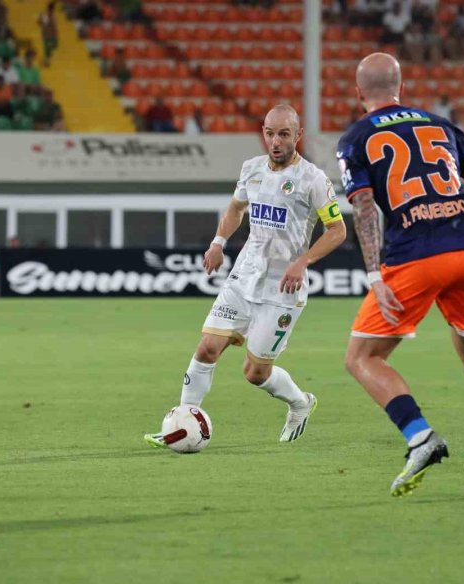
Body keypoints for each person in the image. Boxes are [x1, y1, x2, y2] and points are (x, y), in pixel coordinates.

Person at [338, 53, 464, 497]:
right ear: (401, 87)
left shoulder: (356, 138)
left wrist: (374, 274)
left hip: (415, 253)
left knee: (362, 358)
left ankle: (420, 437)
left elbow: (364, 207)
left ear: (358, 93)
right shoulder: (440, 124)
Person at [144, 104, 347, 447]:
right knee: (208, 348)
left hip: (283, 288)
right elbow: (236, 208)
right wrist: (218, 242)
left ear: (298, 135)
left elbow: (337, 230)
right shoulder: (251, 170)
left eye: (284, 134)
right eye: (270, 133)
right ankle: (179, 424)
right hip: (244, 278)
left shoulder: (313, 179)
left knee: (255, 374)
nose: (275, 140)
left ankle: (300, 403)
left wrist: (303, 262)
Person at [38, 2, 58, 67]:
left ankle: (47, 59)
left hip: (52, 34)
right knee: (47, 49)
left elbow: (54, 25)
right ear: (49, 8)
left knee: (55, 45)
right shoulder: (45, 15)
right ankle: (46, 61)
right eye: (52, 9)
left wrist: (55, 31)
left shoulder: (53, 15)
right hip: (47, 35)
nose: (53, 10)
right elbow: (40, 23)